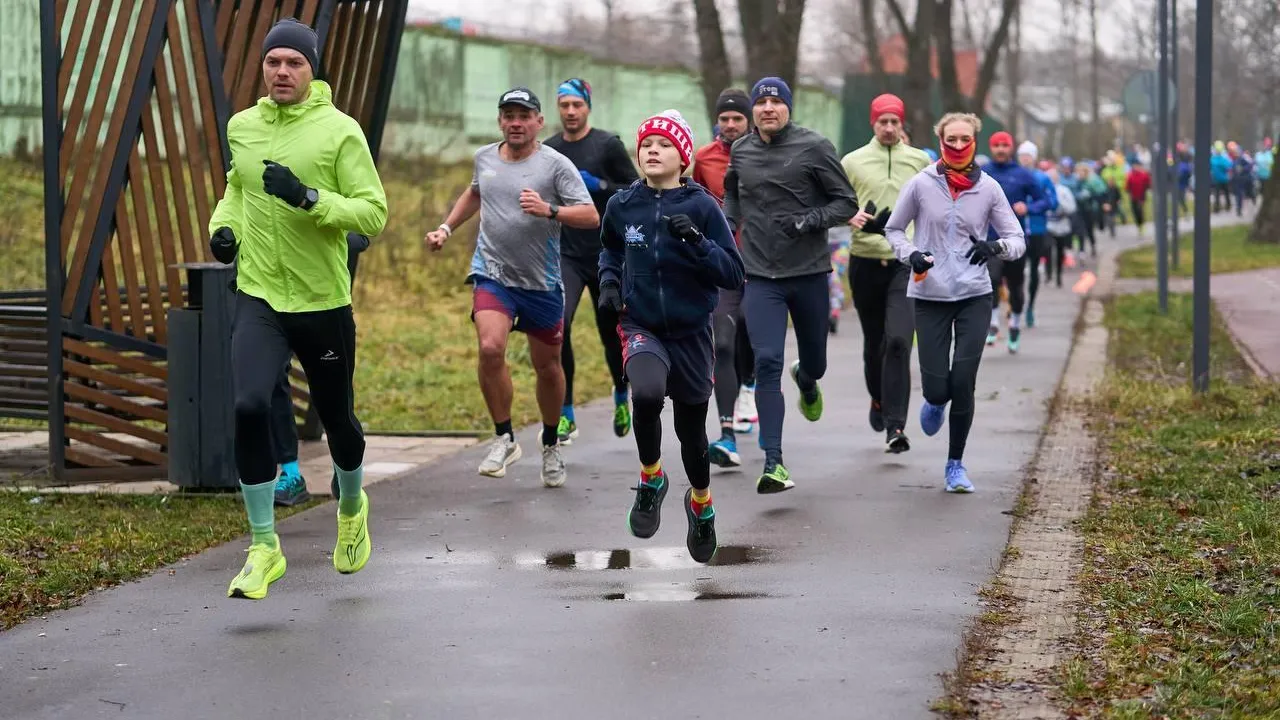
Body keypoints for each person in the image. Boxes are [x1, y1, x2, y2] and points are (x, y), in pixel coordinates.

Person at [207, 19, 388, 600]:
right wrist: (224, 229)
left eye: (295, 63)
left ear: (313, 71)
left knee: (338, 422)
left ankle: (352, 506)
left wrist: (309, 199)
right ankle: (263, 548)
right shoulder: (243, 127)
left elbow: (372, 213)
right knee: (249, 404)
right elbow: (236, 190)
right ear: (262, 68)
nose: (282, 72)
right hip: (259, 294)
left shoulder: (340, 132)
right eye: (273, 62)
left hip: (320, 299)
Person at [424, 87, 598, 488]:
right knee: (489, 348)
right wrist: (446, 228)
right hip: (493, 273)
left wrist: (549, 209)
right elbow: (475, 191)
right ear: (500, 120)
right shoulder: (485, 157)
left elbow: (590, 215)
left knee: (547, 367)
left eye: (524, 115)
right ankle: (504, 436)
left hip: (542, 282)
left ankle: (552, 443)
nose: (515, 123)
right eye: (508, 115)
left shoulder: (555, 165)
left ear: (539, 122)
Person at [598, 110, 745, 563]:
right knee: (645, 394)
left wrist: (699, 242)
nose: (652, 151)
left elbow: (733, 273)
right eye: (646, 145)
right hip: (641, 324)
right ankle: (651, 478)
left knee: (692, 437)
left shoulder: (702, 207)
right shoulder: (623, 205)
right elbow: (610, 247)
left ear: (682, 155)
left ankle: (701, 504)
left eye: (663, 145)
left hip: (691, 332)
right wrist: (607, 282)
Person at [723, 77, 858, 493]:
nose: (767, 108)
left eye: (775, 102)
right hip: (761, 275)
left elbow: (846, 203)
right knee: (766, 361)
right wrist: (727, 229)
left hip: (809, 273)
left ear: (788, 108)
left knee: (814, 362)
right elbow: (732, 194)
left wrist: (807, 221)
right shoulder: (741, 150)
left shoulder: (814, 147)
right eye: (760, 102)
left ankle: (807, 377)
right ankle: (775, 462)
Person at [884, 112, 1026, 493]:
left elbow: (1017, 239)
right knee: (937, 389)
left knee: (963, 381)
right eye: (952, 140)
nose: (959, 146)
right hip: (929, 294)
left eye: (966, 139)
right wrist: (910, 254)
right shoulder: (921, 184)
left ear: (975, 141)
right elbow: (894, 229)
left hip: (974, 295)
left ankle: (955, 465)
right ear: (941, 140)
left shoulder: (990, 189)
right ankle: (934, 401)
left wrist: (996, 246)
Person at [543, 78, 638, 444]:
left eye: (576, 105)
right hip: (565, 252)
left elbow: (634, 189)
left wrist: (599, 185)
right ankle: (566, 412)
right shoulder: (549, 150)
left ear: (587, 107)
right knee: (558, 328)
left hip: (605, 253)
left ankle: (620, 394)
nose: (570, 112)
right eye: (564, 105)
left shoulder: (607, 145)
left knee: (610, 333)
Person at [840, 93, 930, 453]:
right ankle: (878, 399)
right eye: (883, 122)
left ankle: (896, 426)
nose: (889, 128)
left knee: (898, 341)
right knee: (874, 344)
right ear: (873, 124)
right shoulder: (853, 161)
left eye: (895, 121)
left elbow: (932, 205)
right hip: (864, 260)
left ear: (902, 124)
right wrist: (850, 213)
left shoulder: (920, 160)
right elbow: (837, 200)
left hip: (903, 264)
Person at [271, 231, 370, 507]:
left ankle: (344, 462)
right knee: (271, 376)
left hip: (323, 298)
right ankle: (290, 473)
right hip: (273, 293)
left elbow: (363, 225)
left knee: (334, 395)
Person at [692, 88, 758, 466]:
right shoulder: (704, 157)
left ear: (748, 121)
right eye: (725, 118)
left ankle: (749, 384)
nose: (730, 124)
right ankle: (727, 430)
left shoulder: (762, 156)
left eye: (737, 118)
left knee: (750, 327)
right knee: (724, 343)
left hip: (762, 261)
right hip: (721, 261)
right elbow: (699, 202)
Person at [983, 132, 1051, 353]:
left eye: (1005, 145)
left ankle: (1014, 324)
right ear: (991, 148)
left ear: (1011, 148)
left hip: (1015, 240)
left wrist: (1028, 208)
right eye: (997, 145)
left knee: (1015, 285)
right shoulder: (983, 173)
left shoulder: (1022, 175)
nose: (1001, 149)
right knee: (991, 279)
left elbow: (1046, 201)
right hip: (990, 238)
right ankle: (993, 322)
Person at [1016, 144, 1057, 329]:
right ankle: (1016, 305)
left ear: (1034, 158)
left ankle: (1030, 306)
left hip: (1037, 230)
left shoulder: (1042, 178)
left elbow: (1052, 202)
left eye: (1028, 156)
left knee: (1033, 270)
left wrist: (1030, 209)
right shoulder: (1012, 176)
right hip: (1015, 232)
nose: (1025, 159)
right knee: (1015, 272)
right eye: (1022, 155)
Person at [1045, 167, 1078, 288]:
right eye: (1049, 178)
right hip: (1048, 225)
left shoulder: (1064, 191)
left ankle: (1059, 275)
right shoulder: (1043, 190)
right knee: (1047, 249)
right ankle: (1049, 274)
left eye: (1053, 177)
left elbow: (1072, 208)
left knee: (1059, 252)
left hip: (1062, 226)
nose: (1051, 180)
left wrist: (1061, 204)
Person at [1125, 161, 1152, 234]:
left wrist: (1147, 188)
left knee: (1140, 211)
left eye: (1137, 166)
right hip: (1133, 197)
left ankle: (1142, 225)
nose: (1135, 168)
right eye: (1134, 166)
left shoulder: (1143, 175)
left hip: (1141, 196)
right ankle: (1138, 224)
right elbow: (1127, 186)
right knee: (1134, 211)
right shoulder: (1130, 175)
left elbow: (1148, 183)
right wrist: (1127, 190)